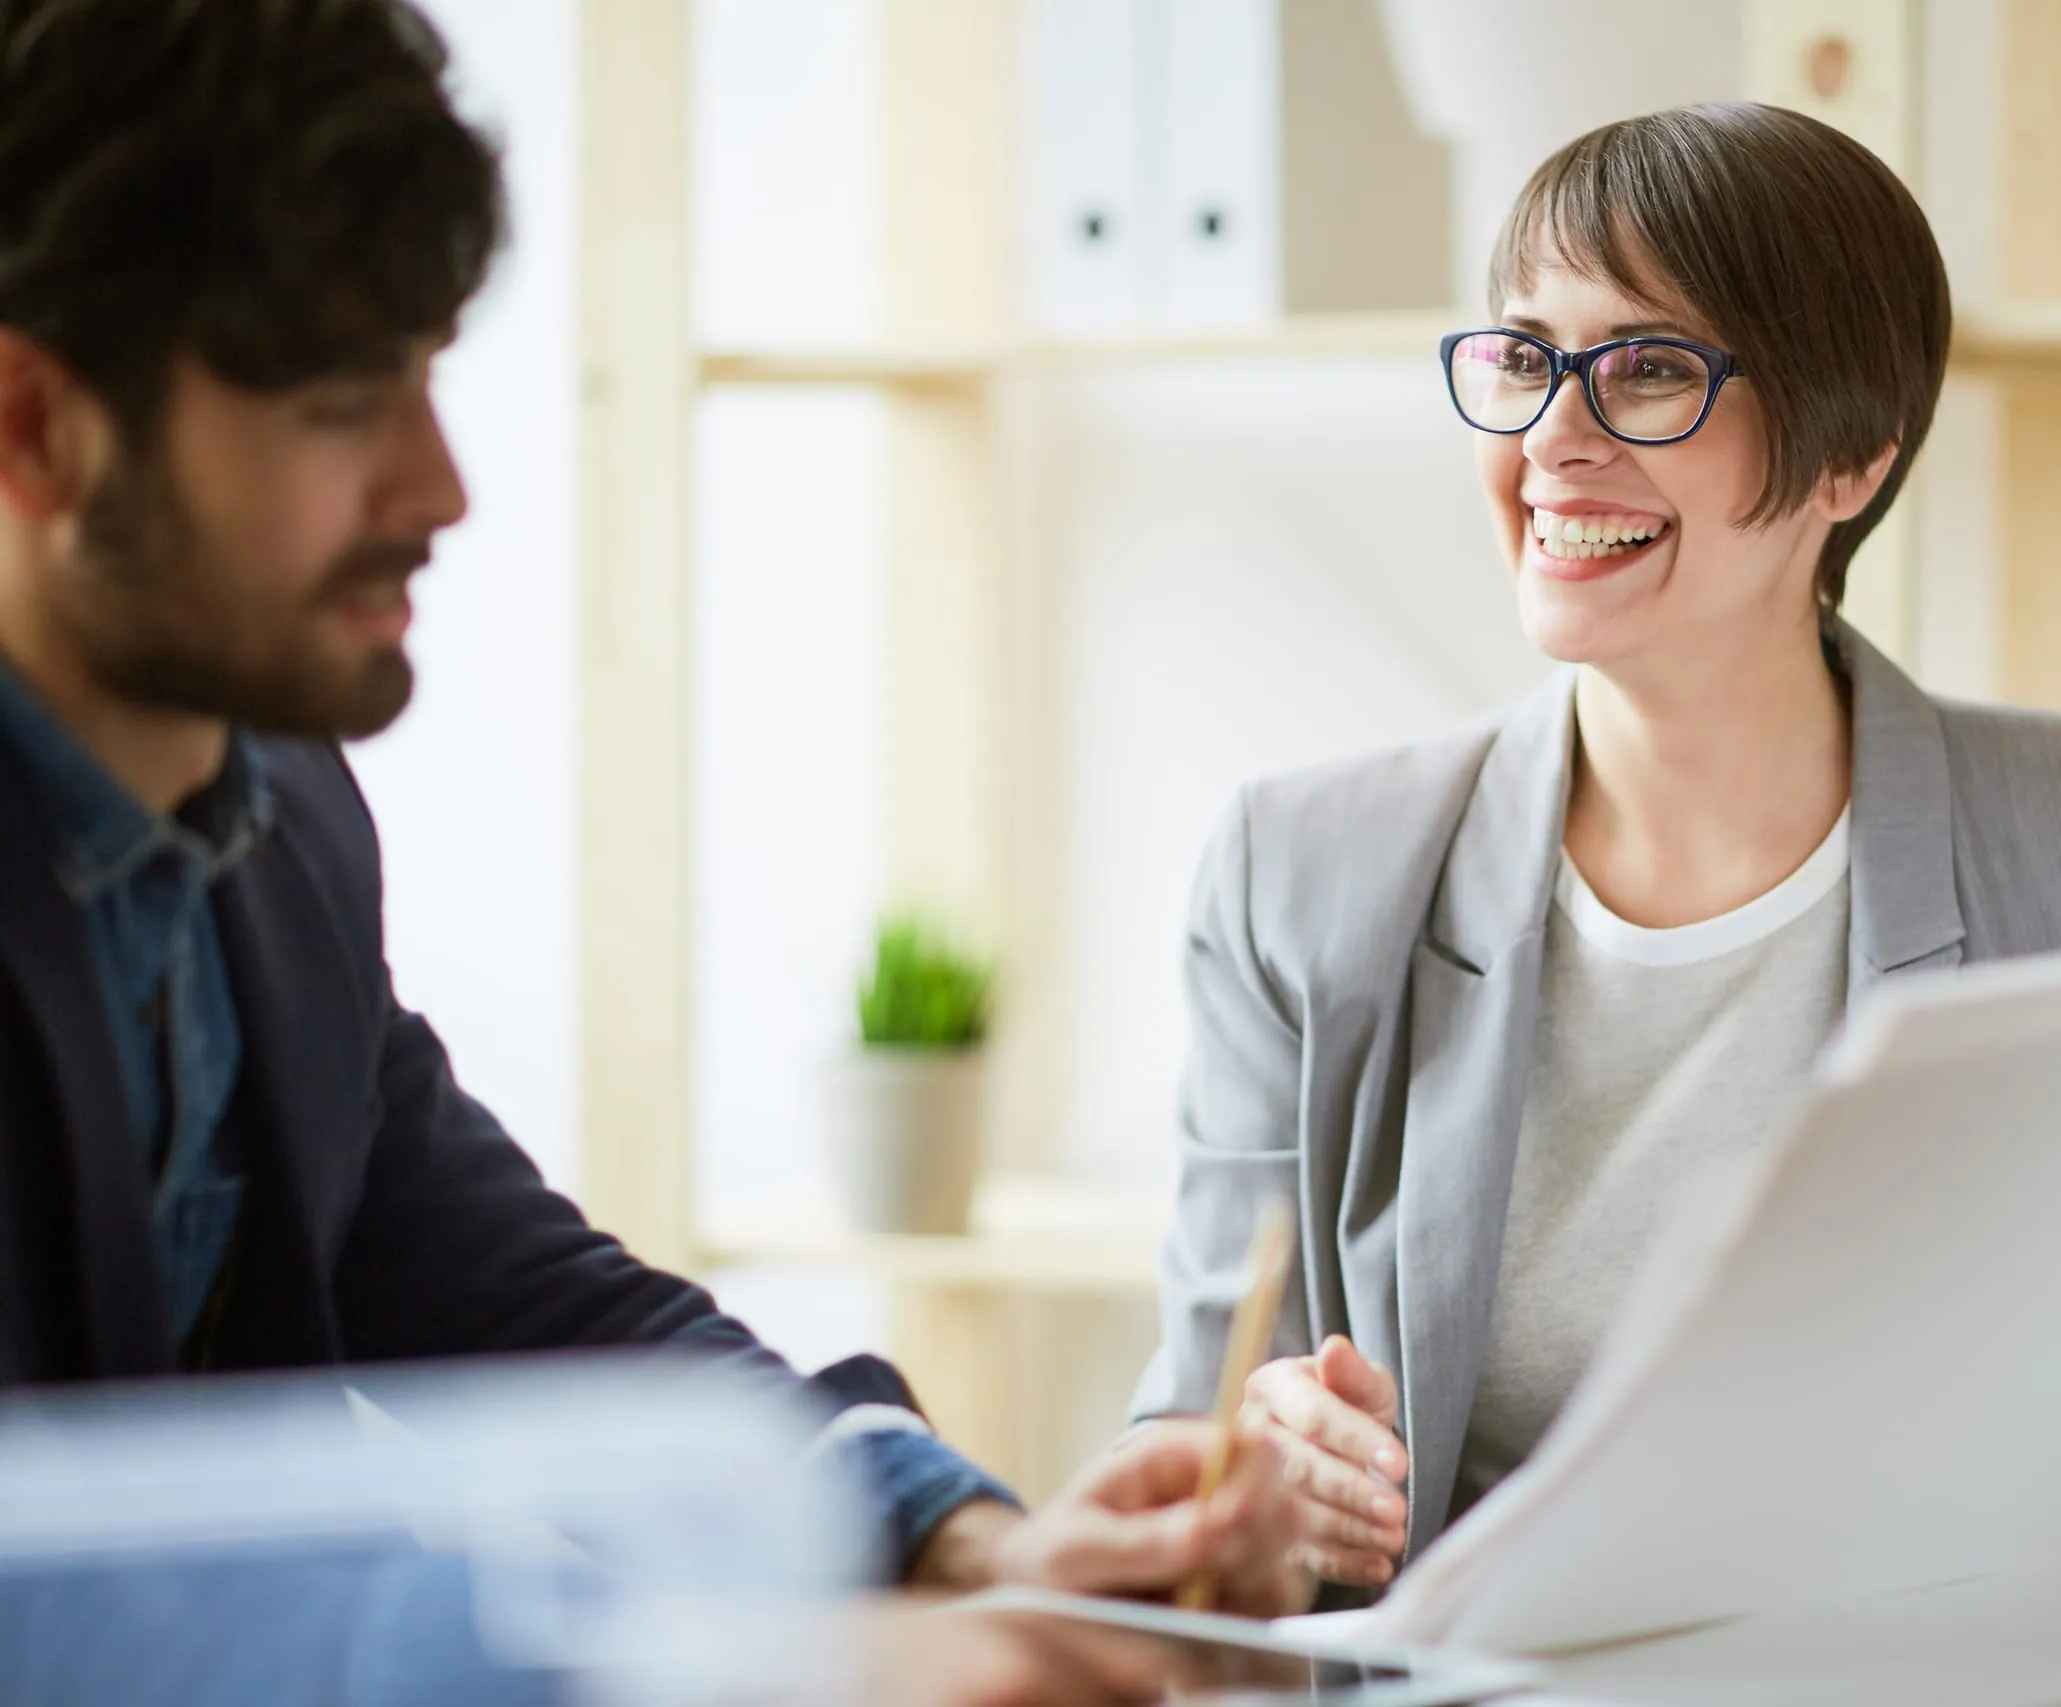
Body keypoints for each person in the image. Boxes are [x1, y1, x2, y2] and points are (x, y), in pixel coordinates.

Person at [0, 0, 1301, 1696]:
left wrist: (963, 1540)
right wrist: (761, 1666)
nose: (441, 482)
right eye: (340, 405)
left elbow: (517, 1301)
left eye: (424, 372)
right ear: (33, 428)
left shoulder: (281, 815)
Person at [1135, 101, 2061, 1598]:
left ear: (1853, 459)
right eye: (1524, 356)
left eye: (1652, 369)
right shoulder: (1302, 873)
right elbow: (1187, 1421)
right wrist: (1256, 1478)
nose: (1554, 436)